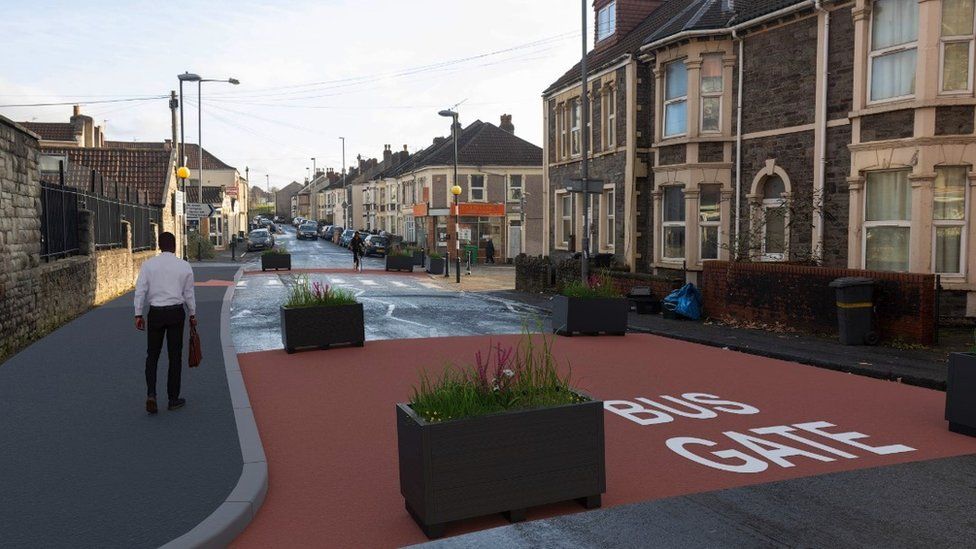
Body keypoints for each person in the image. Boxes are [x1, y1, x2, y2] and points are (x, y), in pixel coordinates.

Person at [134, 232, 197, 415]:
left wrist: (138, 314)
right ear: (175, 246)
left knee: (152, 355)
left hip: (155, 313)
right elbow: (188, 294)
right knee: (174, 356)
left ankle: (151, 394)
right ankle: (173, 398)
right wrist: (192, 313)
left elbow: (140, 290)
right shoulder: (184, 266)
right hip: (176, 313)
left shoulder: (148, 265)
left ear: (159, 245)